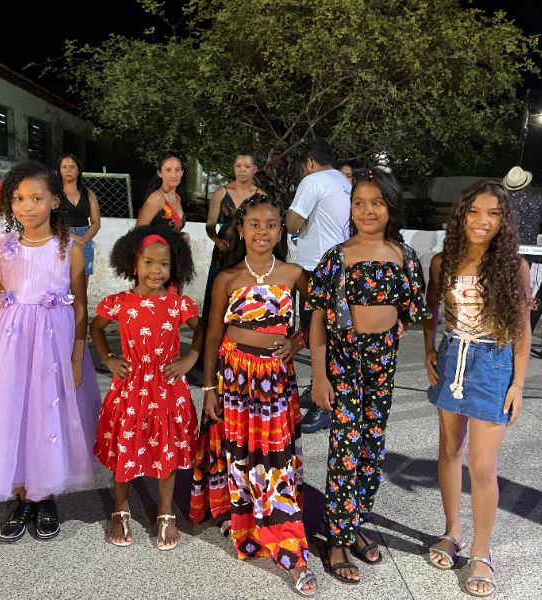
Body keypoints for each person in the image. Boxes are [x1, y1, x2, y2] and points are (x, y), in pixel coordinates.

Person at [0, 161, 100, 543]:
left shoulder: (69, 249)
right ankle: (23, 497)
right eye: (19, 199)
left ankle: (46, 497)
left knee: (47, 413)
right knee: (16, 414)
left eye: (37, 198)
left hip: (53, 347)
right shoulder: (4, 248)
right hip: (12, 346)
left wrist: (77, 357)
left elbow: (80, 307)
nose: (27, 207)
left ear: (55, 201)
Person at [307, 169, 428, 584]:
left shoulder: (404, 255)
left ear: (390, 206)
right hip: (344, 360)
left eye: (376, 202)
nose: (367, 210)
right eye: (359, 203)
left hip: (382, 363)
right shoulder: (337, 257)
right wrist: (319, 376)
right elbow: (317, 319)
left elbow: (411, 307)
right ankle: (336, 538)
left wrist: (396, 324)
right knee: (346, 444)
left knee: (372, 446)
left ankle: (354, 521)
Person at [202, 194, 317, 597]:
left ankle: (289, 546)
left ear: (281, 230)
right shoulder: (227, 278)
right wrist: (209, 388)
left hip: (274, 380)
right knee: (240, 452)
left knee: (275, 459)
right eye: (254, 224)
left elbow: (322, 312)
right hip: (234, 377)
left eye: (271, 225)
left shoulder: (294, 273)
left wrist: (298, 341)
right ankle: (246, 522)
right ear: (240, 229)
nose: (262, 232)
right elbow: (212, 335)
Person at [424, 180, 531, 598]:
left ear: (504, 221)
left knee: (483, 465)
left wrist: (517, 383)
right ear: (461, 215)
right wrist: (429, 348)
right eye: (474, 211)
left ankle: (481, 552)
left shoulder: (514, 267)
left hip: (493, 364)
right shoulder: (443, 261)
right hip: (453, 357)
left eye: (493, 213)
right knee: (450, 451)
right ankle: (453, 531)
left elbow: (522, 330)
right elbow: (431, 308)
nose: (482, 221)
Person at [91, 225, 200, 550]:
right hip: (130, 385)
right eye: (148, 262)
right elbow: (96, 328)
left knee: (166, 446)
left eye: (164, 264)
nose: (156, 270)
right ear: (133, 264)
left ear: (174, 267)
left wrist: (190, 359)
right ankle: (120, 507)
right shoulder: (119, 302)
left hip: (166, 385)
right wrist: (109, 358)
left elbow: (203, 330)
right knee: (126, 443)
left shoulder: (179, 304)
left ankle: (165, 511)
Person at [286, 138, 351, 433]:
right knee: (327, 332)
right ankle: (318, 387)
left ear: (310, 162)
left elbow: (292, 222)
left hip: (316, 268)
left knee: (315, 334)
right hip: (339, 265)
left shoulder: (313, 180)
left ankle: (323, 404)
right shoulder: (343, 182)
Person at [198, 151, 267, 368]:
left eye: (246, 166)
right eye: (238, 166)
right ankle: (209, 354)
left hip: (248, 252)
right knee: (216, 299)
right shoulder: (222, 192)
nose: (242, 170)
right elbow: (210, 223)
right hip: (225, 251)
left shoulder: (261, 195)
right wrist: (216, 240)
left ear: (255, 169)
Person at [58, 153, 101, 281]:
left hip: (85, 238)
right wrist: (73, 237)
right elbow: (49, 221)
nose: (68, 170)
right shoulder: (53, 193)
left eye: (72, 167)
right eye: (64, 167)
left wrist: (83, 240)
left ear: (78, 170)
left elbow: (96, 223)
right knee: (61, 282)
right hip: (61, 237)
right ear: (59, 170)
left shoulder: (89, 193)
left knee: (82, 282)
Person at [502, 163, 542, 246]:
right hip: (530, 250)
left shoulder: (502, 203)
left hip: (507, 249)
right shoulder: (536, 200)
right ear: (526, 185)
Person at [136, 152, 187, 239]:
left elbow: (173, 232)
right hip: (155, 247)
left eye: (177, 170)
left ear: (182, 173)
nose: (174, 175)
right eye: (168, 170)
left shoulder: (177, 197)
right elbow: (137, 233)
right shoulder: (157, 198)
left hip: (172, 246)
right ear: (160, 173)